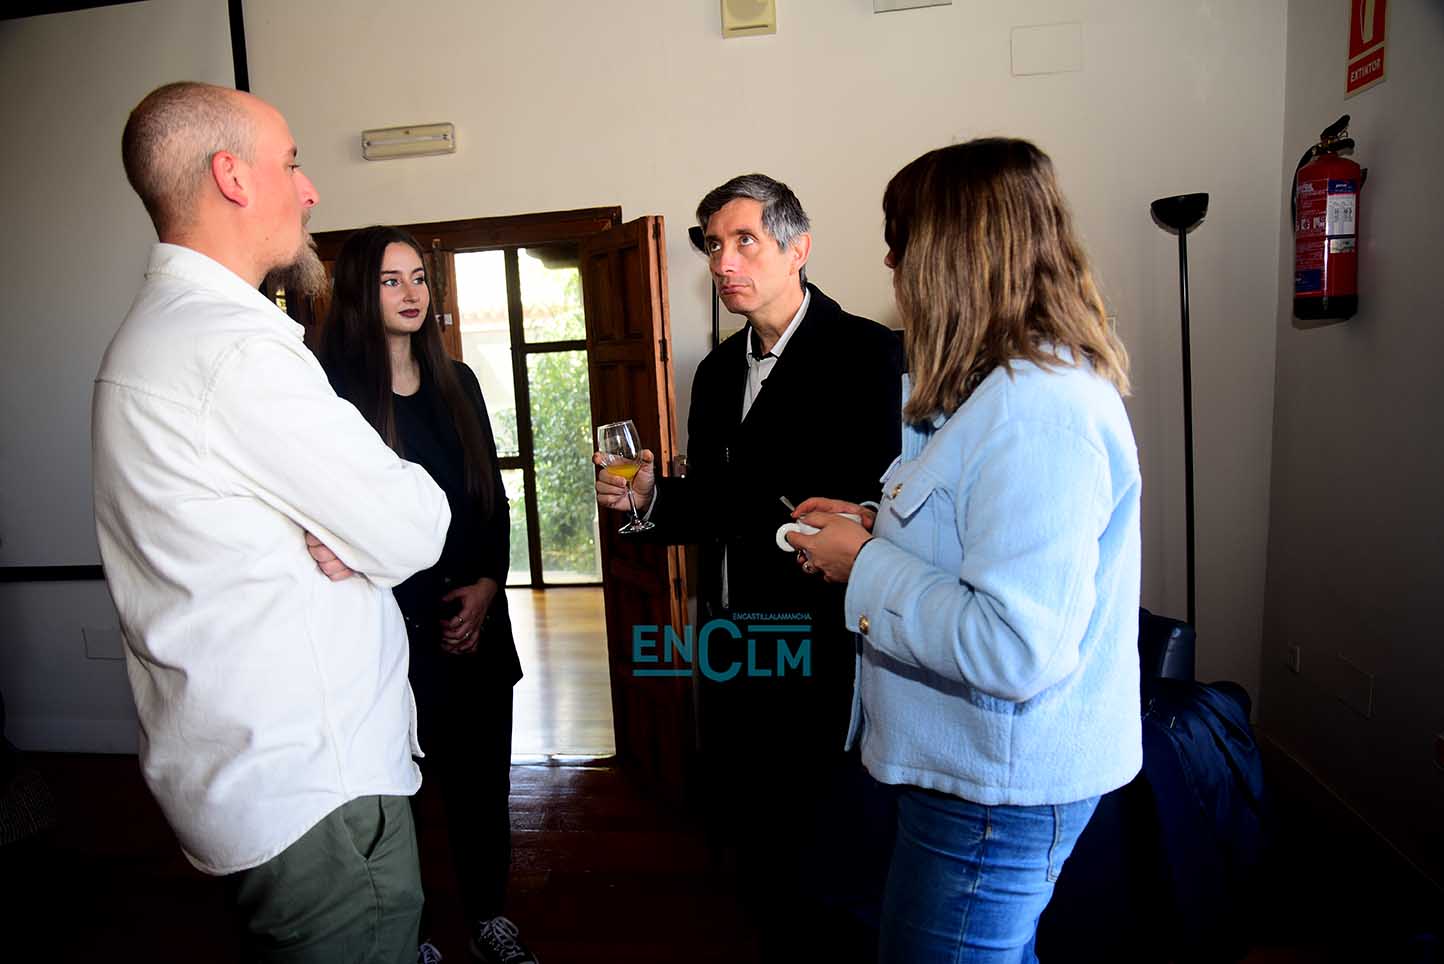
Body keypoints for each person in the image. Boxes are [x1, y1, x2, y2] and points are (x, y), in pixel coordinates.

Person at [94, 82, 450, 961]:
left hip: (247, 772)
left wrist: (350, 529)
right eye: (292, 163)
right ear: (233, 177)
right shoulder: (234, 350)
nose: (310, 188)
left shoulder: (156, 335)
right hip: (316, 792)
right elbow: (413, 526)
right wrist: (366, 530)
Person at [786, 137, 1144, 962]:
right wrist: (873, 523)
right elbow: (975, 533)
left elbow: (1013, 646)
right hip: (970, 780)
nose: (889, 261)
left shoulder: (1041, 412)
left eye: (900, 238)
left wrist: (861, 564)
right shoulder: (992, 391)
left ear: (954, 252)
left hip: (995, 798)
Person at [594, 174, 904, 961]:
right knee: (753, 845)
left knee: (828, 851)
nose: (723, 262)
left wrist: (861, 519)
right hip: (732, 639)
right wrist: (646, 501)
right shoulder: (715, 372)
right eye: (712, 246)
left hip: (828, 643)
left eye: (744, 241)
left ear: (798, 249)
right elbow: (714, 506)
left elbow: (899, 503)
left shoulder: (872, 354)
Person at [317, 226, 537, 964]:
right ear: (360, 291)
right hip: (388, 630)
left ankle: (489, 918)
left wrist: (488, 587)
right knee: (395, 798)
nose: (411, 293)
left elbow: (491, 498)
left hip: (475, 621)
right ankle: (408, 936)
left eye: (418, 277)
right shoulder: (334, 395)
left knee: (482, 787)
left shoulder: (459, 381)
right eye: (391, 280)